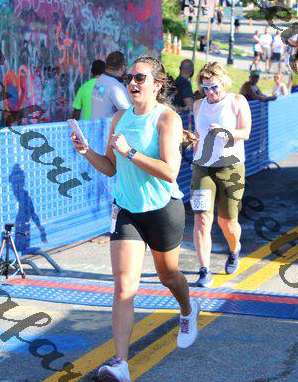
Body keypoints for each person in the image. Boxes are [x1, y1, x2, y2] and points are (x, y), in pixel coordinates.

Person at [72, 55, 199, 382]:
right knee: (124, 287)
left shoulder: (167, 119)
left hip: (162, 209)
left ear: (157, 85)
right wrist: (87, 152)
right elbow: (110, 167)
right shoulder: (120, 118)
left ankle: (188, 309)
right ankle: (120, 363)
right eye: (129, 77)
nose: (132, 83)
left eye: (140, 78)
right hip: (127, 210)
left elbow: (170, 171)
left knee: (168, 276)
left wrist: (131, 151)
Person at [190, 62, 251, 287]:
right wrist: (192, 144)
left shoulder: (237, 101)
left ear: (224, 82)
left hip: (230, 168)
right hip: (203, 168)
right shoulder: (198, 104)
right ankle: (204, 270)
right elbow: (198, 134)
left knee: (227, 222)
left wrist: (225, 132)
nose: (210, 93)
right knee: (202, 219)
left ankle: (234, 249)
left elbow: (246, 132)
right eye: (205, 88)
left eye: (214, 87)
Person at [91, 51, 131, 119]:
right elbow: (129, 113)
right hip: (109, 125)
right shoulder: (116, 87)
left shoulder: (100, 79)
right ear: (123, 67)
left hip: (98, 124)